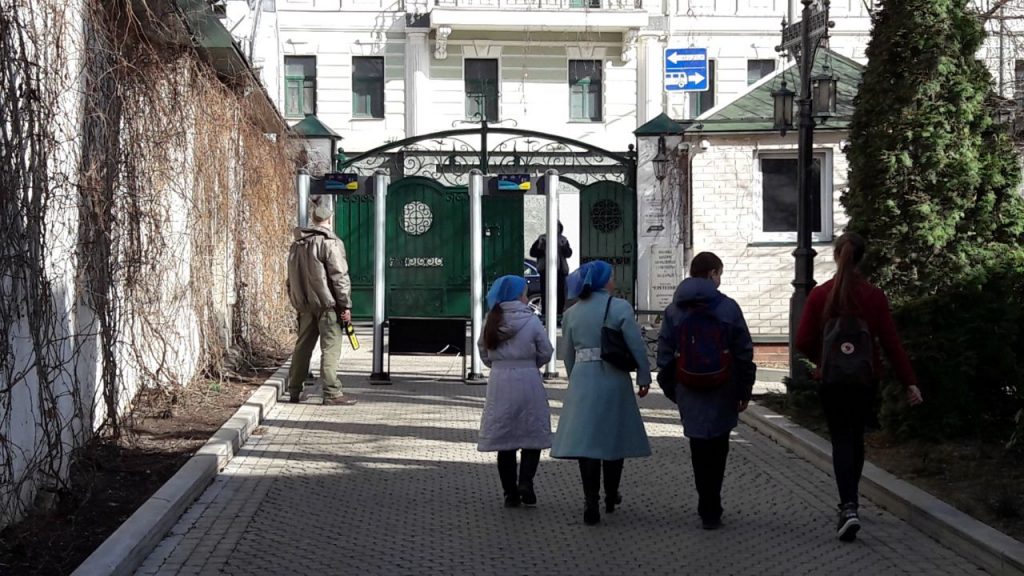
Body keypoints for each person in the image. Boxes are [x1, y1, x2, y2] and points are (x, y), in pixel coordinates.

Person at [795, 231, 924, 542]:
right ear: (861, 258)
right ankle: (852, 505)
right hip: (865, 381)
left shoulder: (820, 294)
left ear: (837, 256)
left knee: (840, 440)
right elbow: (892, 344)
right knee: (856, 438)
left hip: (832, 381)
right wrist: (910, 382)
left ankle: (848, 506)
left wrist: (823, 362)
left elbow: (802, 341)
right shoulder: (873, 296)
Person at [656, 252, 756, 530]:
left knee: (698, 447)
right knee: (719, 446)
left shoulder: (674, 310)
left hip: (688, 386)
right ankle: (714, 503)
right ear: (713, 273)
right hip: (723, 385)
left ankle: (706, 504)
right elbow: (743, 351)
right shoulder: (728, 308)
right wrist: (744, 389)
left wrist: (674, 389)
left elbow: (664, 354)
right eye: (719, 274)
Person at [550, 260, 651, 526]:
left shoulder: (572, 313)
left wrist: (576, 379)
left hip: (584, 377)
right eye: (611, 276)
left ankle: (589, 499)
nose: (613, 279)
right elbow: (635, 345)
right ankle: (610, 494)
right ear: (603, 281)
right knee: (613, 437)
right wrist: (643, 374)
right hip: (613, 377)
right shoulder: (619, 307)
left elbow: (567, 354)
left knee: (588, 443)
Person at [477, 275, 555, 508]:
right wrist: (533, 364)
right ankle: (526, 483)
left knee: (506, 439)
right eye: (524, 292)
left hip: (500, 380)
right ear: (518, 295)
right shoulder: (531, 320)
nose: (525, 296)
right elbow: (546, 350)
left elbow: (483, 349)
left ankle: (509, 492)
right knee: (531, 434)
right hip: (528, 378)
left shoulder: (491, 319)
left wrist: (496, 365)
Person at [286, 201, 356, 406]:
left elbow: (290, 278)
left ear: (314, 220)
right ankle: (332, 393)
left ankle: (294, 390)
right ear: (329, 220)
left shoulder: (297, 244)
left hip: (305, 305)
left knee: (303, 347)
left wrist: (297, 300)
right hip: (328, 306)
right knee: (331, 347)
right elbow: (339, 277)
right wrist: (345, 305)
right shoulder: (330, 243)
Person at [529, 221, 573, 317]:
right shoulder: (542, 238)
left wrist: (564, 246)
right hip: (545, 270)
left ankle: (559, 315)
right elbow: (533, 253)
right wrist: (541, 246)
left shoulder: (563, 239)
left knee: (560, 294)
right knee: (546, 294)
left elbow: (568, 254)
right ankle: (546, 315)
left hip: (560, 271)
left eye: (557, 227)